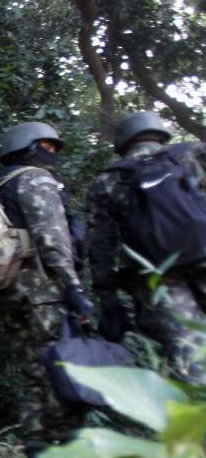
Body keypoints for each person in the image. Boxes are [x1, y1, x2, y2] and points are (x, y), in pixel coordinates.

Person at [0, 122, 91, 458]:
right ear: (28, 146)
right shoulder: (35, 179)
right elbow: (52, 240)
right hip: (43, 290)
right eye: (47, 146)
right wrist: (74, 287)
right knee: (61, 367)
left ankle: (38, 457)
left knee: (33, 373)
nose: (53, 153)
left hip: (10, 291)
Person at [88, 111, 206, 384]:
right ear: (161, 134)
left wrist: (108, 301)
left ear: (122, 143)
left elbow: (100, 247)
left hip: (156, 279)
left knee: (189, 357)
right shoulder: (193, 155)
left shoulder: (106, 181)